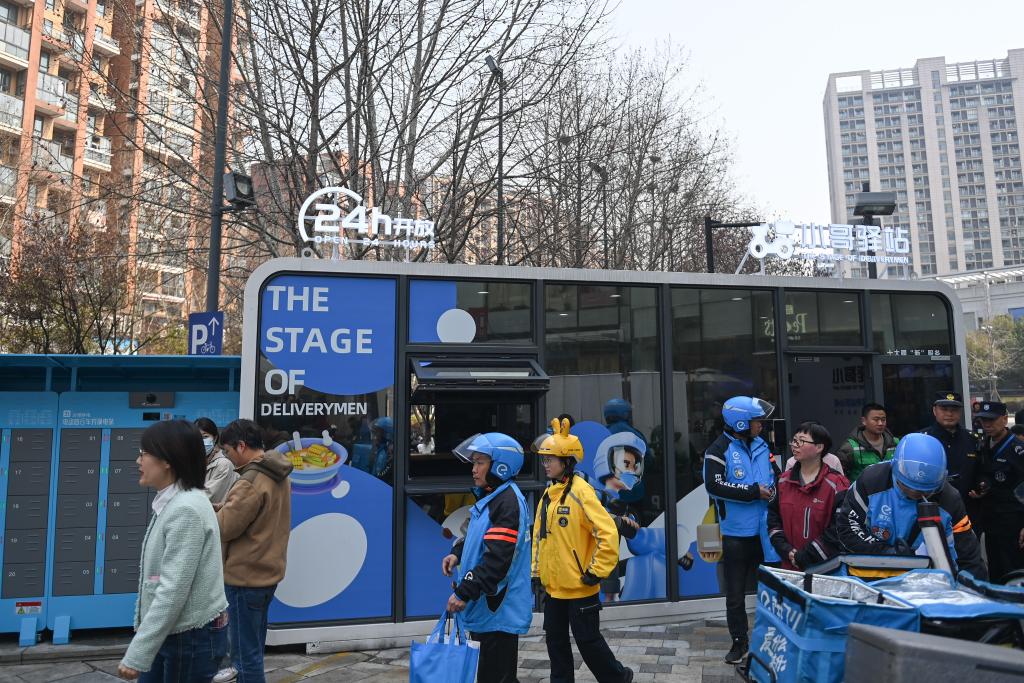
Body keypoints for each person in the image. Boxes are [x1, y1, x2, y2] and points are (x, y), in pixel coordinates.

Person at [118, 420, 228, 682]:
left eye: (144, 453)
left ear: (167, 460)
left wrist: (138, 653)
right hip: (175, 631)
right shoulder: (175, 501)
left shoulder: (185, 509)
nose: (138, 461)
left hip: (187, 637)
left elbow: (173, 589)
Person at [532, 418, 634, 683]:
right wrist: (537, 572)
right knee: (555, 641)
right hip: (554, 588)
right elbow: (540, 538)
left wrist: (597, 571)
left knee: (588, 642)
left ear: (566, 461)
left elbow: (608, 532)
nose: (545, 465)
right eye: (544, 460)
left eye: (550, 460)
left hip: (580, 585)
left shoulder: (582, 492)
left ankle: (618, 678)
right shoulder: (548, 495)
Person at [441, 432, 532, 683]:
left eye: (480, 462)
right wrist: (457, 554)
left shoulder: (507, 502)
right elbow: (477, 537)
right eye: (474, 462)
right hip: (487, 609)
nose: (474, 469)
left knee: (496, 676)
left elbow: (497, 560)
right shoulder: (492, 497)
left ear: (501, 466)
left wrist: (464, 592)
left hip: (497, 610)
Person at [836, 433, 986, 578]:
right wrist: (888, 553)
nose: (916, 493)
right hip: (871, 576)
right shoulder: (872, 481)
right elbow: (847, 528)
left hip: (926, 582)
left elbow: (967, 554)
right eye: (908, 487)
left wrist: (973, 588)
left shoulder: (949, 500)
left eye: (925, 491)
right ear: (895, 470)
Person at [214, 420, 293, 683]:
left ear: (241, 446)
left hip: (244, 578)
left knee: (244, 657)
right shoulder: (278, 472)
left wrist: (211, 512)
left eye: (227, 451)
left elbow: (225, 527)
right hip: (267, 573)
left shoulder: (250, 480)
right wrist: (225, 506)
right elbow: (259, 515)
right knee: (254, 648)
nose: (227, 457)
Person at [702, 396, 780, 665]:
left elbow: (776, 475)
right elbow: (713, 485)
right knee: (735, 596)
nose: (761, 425)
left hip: (765, 532)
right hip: (736, 534)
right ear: (741, 423)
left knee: (771, 591)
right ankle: (739, 643)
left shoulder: (762, 445)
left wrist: (774, 492)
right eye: (757, 421)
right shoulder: (718, 449)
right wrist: (752, 492)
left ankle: (772, 641)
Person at [768, 422, 849, 571]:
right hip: (789, 567)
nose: (795, 445)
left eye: (801, 441)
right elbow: (773, 521)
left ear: (819, 447)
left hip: (826, 570)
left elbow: (840, 528)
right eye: (794, 440)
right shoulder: (783, 481)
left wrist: (806, 556)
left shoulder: (837, 484)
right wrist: (788, 551)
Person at [973, 402, 1024, 581]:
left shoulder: (1018, 450)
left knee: (1015, 574)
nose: (987, 424)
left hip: (1013, 523)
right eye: (983, 420)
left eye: (992, 420)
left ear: (1004, 419)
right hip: (991, 522)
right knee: (995, 572)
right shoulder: (983, 444)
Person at [921, 392, 980, 525]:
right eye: (944, 409)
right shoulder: (923, 439)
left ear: (960, 412)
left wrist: (982, 483)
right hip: (934, 509)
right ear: (934, 411)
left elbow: (981, 469)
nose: (949, 414)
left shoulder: (971, 439)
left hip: (967, 511)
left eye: (954, 410)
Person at [837, 403, 900, 481]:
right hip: (862, 489)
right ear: (864, 421)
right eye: (876, 420)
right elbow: (838, 477)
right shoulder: (850, 447)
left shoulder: (895, 443)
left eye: (883, 420)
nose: (880, 423)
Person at [195, 417, 239, 505]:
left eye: (205, 437)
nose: (200, 441)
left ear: (215, 438)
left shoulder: (223, 465)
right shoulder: (195, 463)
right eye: (197, 437)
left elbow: (207, 497)